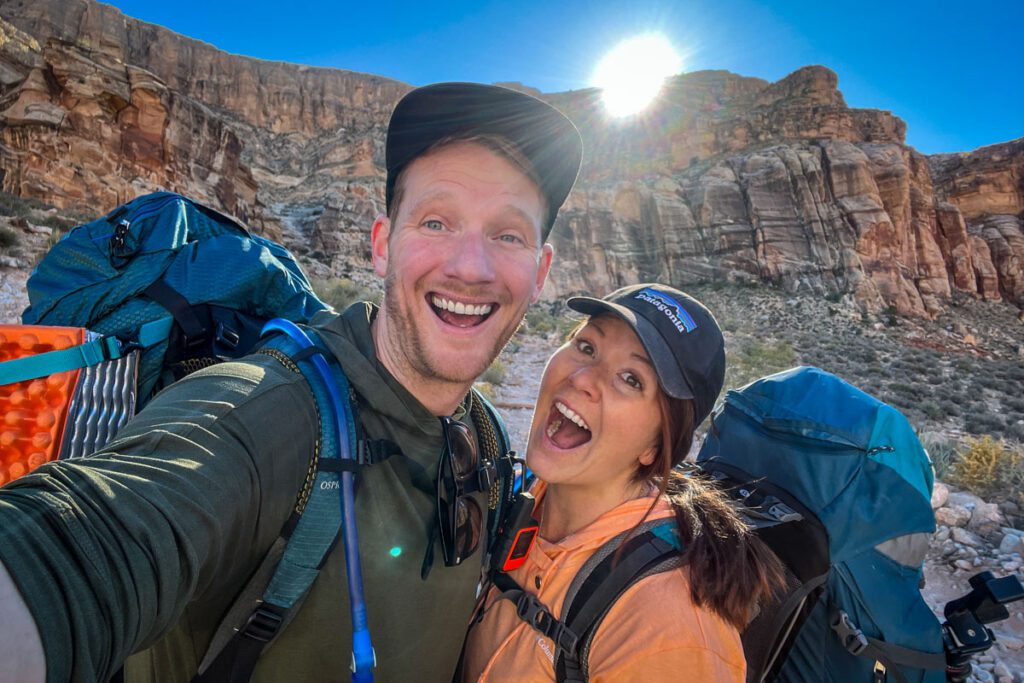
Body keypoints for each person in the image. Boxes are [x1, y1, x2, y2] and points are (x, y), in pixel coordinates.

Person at [0, 83, 582, 682]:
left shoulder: (480, 432)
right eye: (437, 221)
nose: (471, 267)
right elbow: (81, 546)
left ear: (540, 273)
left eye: (507, 235)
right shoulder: (265, 412)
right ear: (382, 246)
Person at [461, 283, 785, 682]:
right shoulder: (522, 499)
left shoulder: (667, 629)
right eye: (586, 347)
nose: (583, 378)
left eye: (631, 379)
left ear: (656, 447)